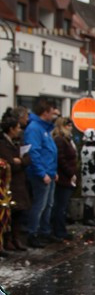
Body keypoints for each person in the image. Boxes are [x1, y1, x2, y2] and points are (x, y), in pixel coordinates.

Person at [24, 95, 59, 247]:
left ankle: (45, 231)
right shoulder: (34, 128)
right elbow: (35, 152)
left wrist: (52, 171)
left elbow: (48, 151)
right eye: (52, 112)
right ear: (45, 112)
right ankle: (33, 233)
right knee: (39, 205)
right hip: (40, 174)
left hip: (49, 173)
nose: (54, 115)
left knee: (48, 205)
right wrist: (42, 173)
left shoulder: (44, 128)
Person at [0, 112, 30, 251]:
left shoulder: (18, 142)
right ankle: (7, 240)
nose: (20, 130)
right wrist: (18, 161)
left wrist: (21, 161)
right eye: (17, 127)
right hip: (9, 183)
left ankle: (15, 238)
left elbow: (27, 158)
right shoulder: (3, 144)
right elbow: (10, 163)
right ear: (11, 129)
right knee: (8, 212)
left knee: (18, 211)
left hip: (19, 182)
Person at [50, 116, 78, 242]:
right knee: (60, 206)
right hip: (63, 177)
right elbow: (61, 159)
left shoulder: (66, 140)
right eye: (69, 126)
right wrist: (70, 172)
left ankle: (60, 229)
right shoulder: (60, 140)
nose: (71, 128)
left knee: (62, 205)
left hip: (66, 176)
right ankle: (58, 231)